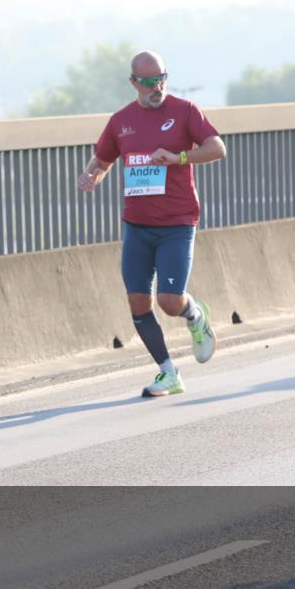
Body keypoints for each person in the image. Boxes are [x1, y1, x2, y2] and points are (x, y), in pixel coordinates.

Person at [77, 51, 227, 397]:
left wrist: (180, 158)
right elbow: (102, 159)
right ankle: (168, 372)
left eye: (161, 78)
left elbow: (217, 147)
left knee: (169, 301)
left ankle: (195, 315)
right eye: (148, 81)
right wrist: (91, 176)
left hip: (177, 221)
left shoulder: (184, 111)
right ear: (134, 83)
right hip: (137, 225)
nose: (156, 86)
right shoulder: (121, 121)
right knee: (137, 302)